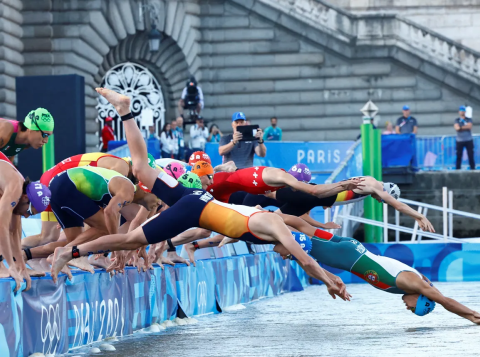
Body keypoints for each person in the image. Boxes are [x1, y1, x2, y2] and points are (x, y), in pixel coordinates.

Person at [51, 87, 350, 303]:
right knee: (132, 239)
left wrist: (323, 232)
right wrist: (329, 280)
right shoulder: (278, 229)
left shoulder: (274, 220)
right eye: (289, 254)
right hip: (196, 207)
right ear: (289, 243)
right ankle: (70, 252)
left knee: (140, 168)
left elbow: (304, 228)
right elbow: (307, 261)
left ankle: (125, 109)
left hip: (198, 198)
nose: (285, 257)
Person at [273, 222, 480, 324]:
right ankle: (266, 217)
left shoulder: (411, 284)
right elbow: (444, 301)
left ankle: (271, 217)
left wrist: (331, 279)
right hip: (346, 255)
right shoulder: (413, 283)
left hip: (350, 249)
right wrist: (473, 316)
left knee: (297, 236)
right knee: (287, 241)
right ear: (421, 299)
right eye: (412, 308)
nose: (407, 308)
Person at [22, 152, 136, 249]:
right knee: (99, 226)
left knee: (49, 237)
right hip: (61, 181)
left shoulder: (117, 163)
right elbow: (110, 210)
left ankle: (32, 256)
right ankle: (21, 254)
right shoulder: (122, 169)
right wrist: (115, 248)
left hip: (58, 179)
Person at [266, 175, 435, 233]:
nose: (380, 201)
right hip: (314, 195)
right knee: (267, 194)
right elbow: (398, 206)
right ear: (386, 193)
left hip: (318, 198)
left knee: (276, 218)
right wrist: (419, 216)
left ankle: (254, 214)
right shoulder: (375, 185)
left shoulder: (371, 186)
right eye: (383, 200)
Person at [192, 160, 363, 203]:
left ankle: (229, 167)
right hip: (220, 185)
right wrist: (343, 184)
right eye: (299, 185)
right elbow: (314, 191)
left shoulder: (283, 178)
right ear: (297, 180)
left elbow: (316, 192)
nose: (297, 189)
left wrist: (342, 187)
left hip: (231, 184)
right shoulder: (283, 178)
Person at [0, 151, 51, 291]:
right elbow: (2, 228)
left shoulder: (21, 190)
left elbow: (14, 231)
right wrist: (10, 265)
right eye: (29, 212)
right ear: (24, 198)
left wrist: (21, 266)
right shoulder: (15, 188)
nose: (27, 216)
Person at [454, 105, 475, 170]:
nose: (462, 112)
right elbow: (457, 128)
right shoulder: (457, 120)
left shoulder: (469, 119)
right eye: (461, 111)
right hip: (459, 140)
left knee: (470, 155)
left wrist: (461, 127)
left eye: (463, 111)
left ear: (465, 112)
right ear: (459, 112)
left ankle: (472, 168)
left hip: (468, 140)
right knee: (459, 155)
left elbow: (469, 127)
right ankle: (457, 169)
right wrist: (464, 127)